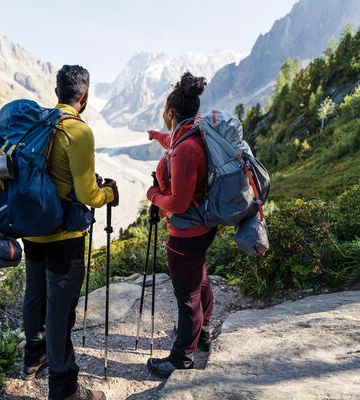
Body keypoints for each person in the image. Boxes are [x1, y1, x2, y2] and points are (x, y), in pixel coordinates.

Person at [22, 65, 118, 400]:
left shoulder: (40, 122)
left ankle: (33, 355)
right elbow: (88, 195)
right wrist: (109, 194)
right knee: (61, 311)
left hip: (31, 229)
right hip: (63, 237)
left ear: (57, 91)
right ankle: (64, 390)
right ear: (85, 96)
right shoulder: (77, 131)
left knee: (34, 294)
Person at [145, 72, 217, 378]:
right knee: (198, 280)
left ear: (171, 114)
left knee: (186, 297)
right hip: (202, 227)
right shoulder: (193, 131)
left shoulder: (186, 148)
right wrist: (157, 136)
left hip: (186, 232)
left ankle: (181, 359)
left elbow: (178, 202)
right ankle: (203, 334)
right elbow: (173, 141)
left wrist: (153, 194)